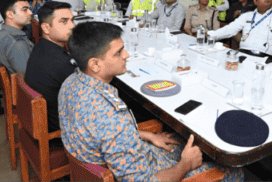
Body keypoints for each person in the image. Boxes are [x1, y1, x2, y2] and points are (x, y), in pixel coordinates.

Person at [59, 22, 242, 182]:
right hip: (147, 172)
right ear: (95, 64)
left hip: (124, 157)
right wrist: (185, 165)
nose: (127, 55)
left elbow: (104, 133)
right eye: (118, 53)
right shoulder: (111, 116)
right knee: (233, 171)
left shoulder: (70, 83)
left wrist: (148, 135)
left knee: (180, 139)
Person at [25, 1, 77, 132]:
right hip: (63, 128)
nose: (72, 26)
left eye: (72, 20)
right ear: (46, 28)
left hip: (48, 117)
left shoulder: (40, 47)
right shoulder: (61, 63)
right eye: (64, 21)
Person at [0, 0, 35, 75]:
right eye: (25, 9)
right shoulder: (17, 43)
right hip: (23, 86)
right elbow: (30, 76)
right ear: (10, 14)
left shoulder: (2, 34)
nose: (30, 13)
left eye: (30, 9)